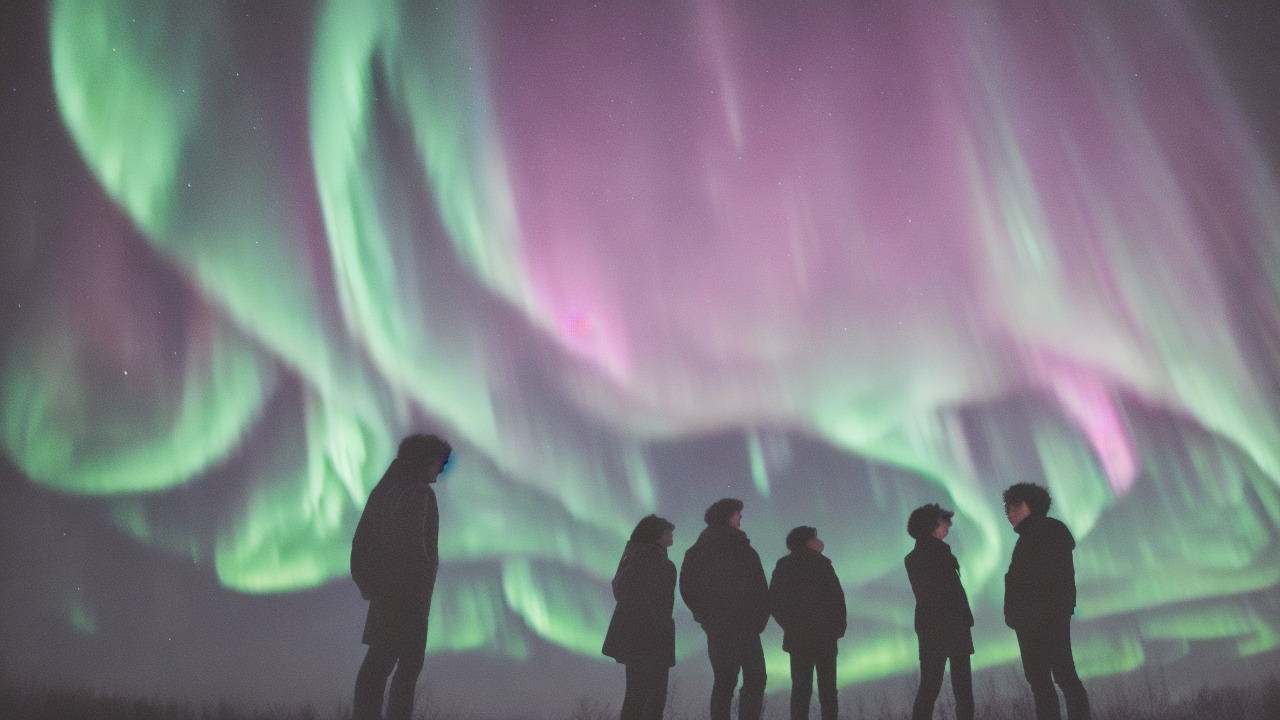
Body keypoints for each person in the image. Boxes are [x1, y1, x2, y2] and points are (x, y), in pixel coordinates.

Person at [350, 434, 452, 720]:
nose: (442, 469)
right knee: (406, 668)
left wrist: (369, 584)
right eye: (440, 463)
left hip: (387, 594)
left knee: (379, 662)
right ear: (424, 461)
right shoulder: (417, 494)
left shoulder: (384, 492)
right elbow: (415, 550)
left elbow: (361, 543)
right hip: (408, 598)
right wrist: (418, 594)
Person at [1003, 483, 1092, 720]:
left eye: (1015, 506)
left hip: (1044, 619)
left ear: (1032, 505)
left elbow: (1053, 580)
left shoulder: (1048, 532)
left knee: (1060, 676)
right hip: (1031, 621)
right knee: (1042, 681)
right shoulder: (1029, 538)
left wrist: (1045, 614)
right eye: (1006, 508)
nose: (1009, 513)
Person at [680, 498, 770, 720]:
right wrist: (707, 617)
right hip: (728, 626)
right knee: (735, 679)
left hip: (740, 626)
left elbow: (760, 588)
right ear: (728, 517)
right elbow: (688, 588)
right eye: (738, 513)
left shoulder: (743, 550)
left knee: (739, 678)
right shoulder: (702, 551)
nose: (741, 518)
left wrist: (758, 620)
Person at [602, 514, 678, 720]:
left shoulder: (633, 560)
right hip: (652, 639)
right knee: (651, 697)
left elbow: (622, 594)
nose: (672, 535)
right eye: (668, 531)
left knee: (637, 695)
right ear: (657, 535)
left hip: (638, 639)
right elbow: (661, 605)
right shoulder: (656, 563)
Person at [904, 504, 974, 720]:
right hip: (943, 628)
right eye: (944, 522)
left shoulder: (926, 554)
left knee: (933, 687)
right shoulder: (931, 555)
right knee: (953, 689)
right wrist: (963, 619)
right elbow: (943, 594)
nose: (948, 527)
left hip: (937, 628)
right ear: (931, 526)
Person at [769, 526, 846, 720]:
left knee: (801, 692)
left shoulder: (787, 566)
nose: (820, 541)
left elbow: (775, 602)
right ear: (807, 541)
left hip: (802, 639)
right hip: (823, 638)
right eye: (815, 537)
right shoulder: (822, 565)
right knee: (827, 693)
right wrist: (836, 628)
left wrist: (792, 626)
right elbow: (837, 600)